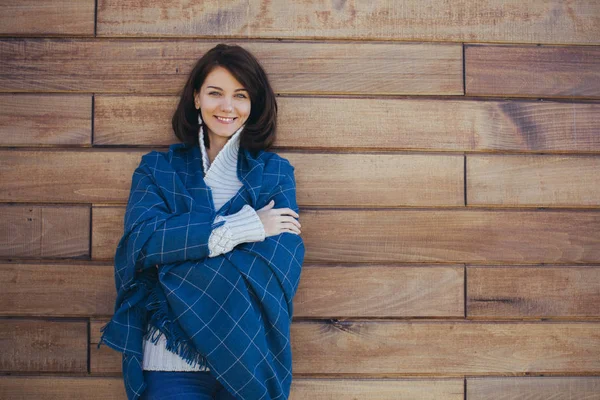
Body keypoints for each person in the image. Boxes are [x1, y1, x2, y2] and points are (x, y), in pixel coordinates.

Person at [98, 44, 305, 400]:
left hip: (248, 359)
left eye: (240, 95)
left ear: (252, 104)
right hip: (170, 363)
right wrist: (245, 227)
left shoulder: (274, 174)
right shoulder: (157, 170)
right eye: (215, 93)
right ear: (196, 98)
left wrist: (173, 261)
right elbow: (142, 243)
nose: (227, 106)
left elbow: (278, 269)